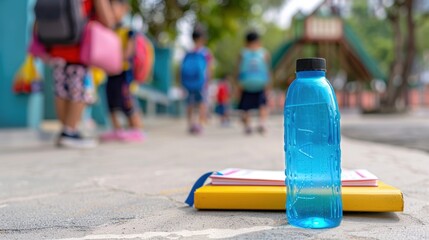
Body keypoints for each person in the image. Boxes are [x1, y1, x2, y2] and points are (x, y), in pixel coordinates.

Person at [35, 0, 116, 148]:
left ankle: (65, 130)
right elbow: (108, 20)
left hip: (56, 46)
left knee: (61, 91)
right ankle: (70, 132)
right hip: (79, 49)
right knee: (80, 91)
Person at [100, 0, 144, 142]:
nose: (111, 12)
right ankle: (117, 129)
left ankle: (136, 129)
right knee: (111, 101)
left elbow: (128, 52)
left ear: (124, 8)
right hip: (111, 73)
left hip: (124, 73)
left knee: (127, 101)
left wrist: (116, 60)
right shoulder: (109, 30)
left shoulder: (128, 31)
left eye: (113, 8)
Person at [235, 31, 271, 135]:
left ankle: (248, 126)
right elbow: (267, 70)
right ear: (259, 41)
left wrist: (238, 84)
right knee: (262, 105)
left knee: (246, 107)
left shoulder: (242, 53)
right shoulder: (264, 53)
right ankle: (262, 123)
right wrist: (268, 83)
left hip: (246, 84)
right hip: (261, 83)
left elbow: (238, 70)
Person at [181, 26, 213, 135]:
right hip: (201, 82)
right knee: (202, 103)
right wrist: (208, 81)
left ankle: (190, 124)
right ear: (203, 38)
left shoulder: (188, 52)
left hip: (188, 82)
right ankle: (200, 124)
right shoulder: (205, 52)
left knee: (190, 103)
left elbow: (181, 68)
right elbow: (209, 69)